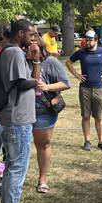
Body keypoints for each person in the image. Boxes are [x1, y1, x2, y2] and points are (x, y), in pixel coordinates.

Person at [0, 18, 41, 203]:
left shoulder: (15, 52)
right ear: (21, 33)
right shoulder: (12, 52)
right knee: (16, 171)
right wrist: (36, 79)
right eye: (31, 33)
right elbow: (21, 83)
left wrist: (35, 61)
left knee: (14, 169)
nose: (33, 37)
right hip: (16, 120)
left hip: (18, 119)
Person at [66, 29, 102, 152]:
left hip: (99, 88)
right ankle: (87, 141)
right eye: (86, 40)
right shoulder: (81, 52)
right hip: (84, 88)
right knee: (85, 116)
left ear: (96, 40)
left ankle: (101, 141)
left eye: (90, 40)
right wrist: (77, 75)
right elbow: (68, 62)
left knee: (98, 117)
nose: (88, 42)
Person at [31, 33, 70, 194]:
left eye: (34, 45)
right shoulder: (22, 61)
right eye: (28, 45)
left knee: (43, 144)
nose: (31, 48)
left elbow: (65, 83)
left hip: (43, 111)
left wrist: (46, 87)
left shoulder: (51, 62)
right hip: (22, 110)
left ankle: (43, 179)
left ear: (41, 46)